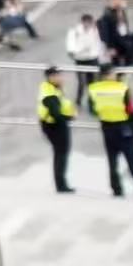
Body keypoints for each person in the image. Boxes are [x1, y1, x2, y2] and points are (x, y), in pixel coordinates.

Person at [88, 63, 133, 199]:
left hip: (106, 126)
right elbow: (130, 110)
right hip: (123, 127)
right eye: (113, 73)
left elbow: (92, 109)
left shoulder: (93, 89)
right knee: (132, 160)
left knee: (112, 161)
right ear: (108, 74)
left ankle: (116, 189)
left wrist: (105, 112)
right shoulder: (121, 88)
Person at [38, 66, 77, 194]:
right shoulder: (50, 93)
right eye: (57, 76)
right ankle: (61, 185)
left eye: (60, 75)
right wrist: (69, 117)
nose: (60, 78)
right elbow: (56, 114)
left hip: (54, 124)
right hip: (55, 126)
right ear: (50, 77)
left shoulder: (52, 88)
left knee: (60, 153)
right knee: (61, 154)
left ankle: (61, 183)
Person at [67, 13, 105, 105]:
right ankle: (78, 101)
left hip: (92, 58)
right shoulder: (75, 31)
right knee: (81, 82)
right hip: (80, 59)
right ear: (82, 22)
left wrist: (99, 54)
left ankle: (91, 101)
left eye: (90, 22)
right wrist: (75, 51)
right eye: (86, 22)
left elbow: (99, 42)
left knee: (92, 82)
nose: (88, 25)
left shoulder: (95, 30)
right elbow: (70, 44)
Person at [98, 0, 133, 66]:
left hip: (123, 42)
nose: (120, 2)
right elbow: (105, 33)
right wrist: (109, 48)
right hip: (114, 45)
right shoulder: (107, 14)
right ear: (112, 0)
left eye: (120, 0)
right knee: (116, 65)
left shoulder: (120, 10)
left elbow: (124, 26)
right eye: (118, 0)